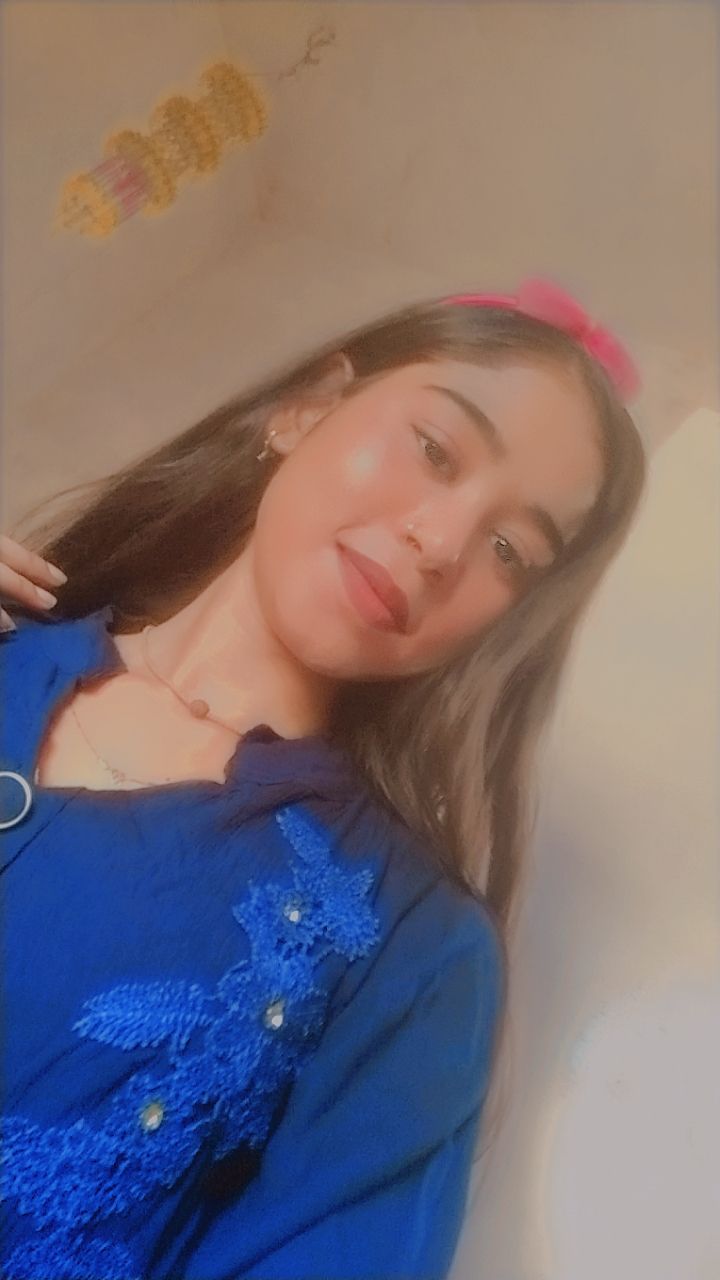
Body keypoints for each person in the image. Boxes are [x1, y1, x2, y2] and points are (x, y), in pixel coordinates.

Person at [0, 278, 646, 1279]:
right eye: (436, 449)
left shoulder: (415, 954)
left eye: (509, 550)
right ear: (303, 408)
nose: (442, 544)